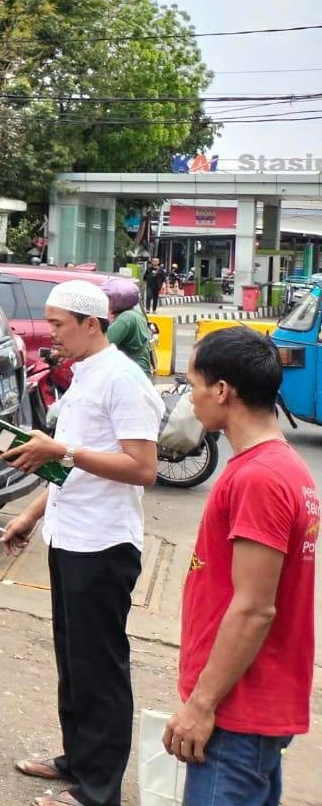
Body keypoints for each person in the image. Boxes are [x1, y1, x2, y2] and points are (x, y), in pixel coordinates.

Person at [0, 281, 161, 806]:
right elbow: (69, 465)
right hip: (69, 535)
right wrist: (28, 513)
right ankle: (77, 760)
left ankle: (98, 790)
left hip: (104, 543)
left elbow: (143, 468)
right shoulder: (83, 377)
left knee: (101, 666)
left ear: (92, 324)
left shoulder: (122, 379)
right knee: (73, 659)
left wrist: (64, 450)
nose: (52, 337)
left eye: (59, 326)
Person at [163, 327, 317, 805]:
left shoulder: (261, 478)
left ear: (223, 391)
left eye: (194, 385)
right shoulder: (281, 467)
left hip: (236, 713)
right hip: (249, 707)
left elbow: (254, 609)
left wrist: (202, 704)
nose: (191, 400)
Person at [103, 277, 155, 381]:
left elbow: (104, 345)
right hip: (137, 372)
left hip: (132, 376)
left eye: (108, 298)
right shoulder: (134, 314)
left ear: (118, 299)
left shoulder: (126, 318)